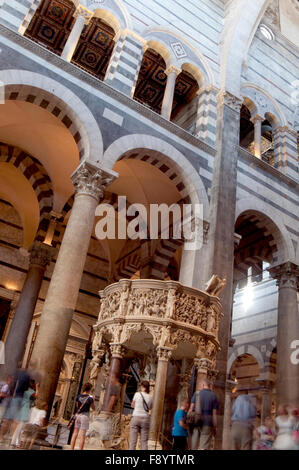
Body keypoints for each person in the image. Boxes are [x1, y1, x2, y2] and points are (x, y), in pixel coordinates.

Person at [188, 378, 218, 450]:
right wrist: (215, 426)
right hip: (208, 423)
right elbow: (214, 414)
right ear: (209, 385)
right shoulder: (214, 396)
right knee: (204, 447)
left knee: (193, 446)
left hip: (196, 422)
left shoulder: (196, 394)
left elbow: (191, 409)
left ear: (203, 385)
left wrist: (188, 421)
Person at [10, 379, 37, 448]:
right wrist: (37, 387)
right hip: (25, 409)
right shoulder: (29, 391)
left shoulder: (24, 391)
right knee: (20, 427)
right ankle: (15, 442)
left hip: (22, 408)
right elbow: (36, 395)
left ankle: (16, 442)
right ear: (31, 384)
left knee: (20, 427)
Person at [70, 382, 95, 450]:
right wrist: (93, 400)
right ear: (90, 389)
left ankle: (71, 449)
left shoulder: (78, 396)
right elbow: (93, 408)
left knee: (75, 433)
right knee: (82, 435)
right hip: (85, 416)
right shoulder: (90, 398)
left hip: (78, 415)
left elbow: (77, 406)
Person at [129, 380, 153, 450]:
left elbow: (132, 405)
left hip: (136, 417)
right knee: (144, 441)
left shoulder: (137, 394)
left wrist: (137, 406)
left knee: (133, 441)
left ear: (142, 386)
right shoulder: (151, 397)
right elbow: (150, 407)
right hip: (145, 418)